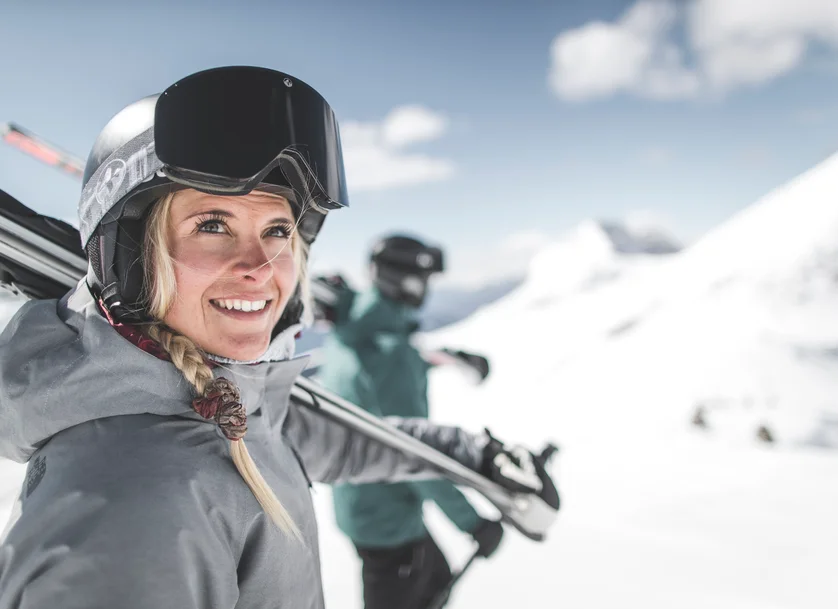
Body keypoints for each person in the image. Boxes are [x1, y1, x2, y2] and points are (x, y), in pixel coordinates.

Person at [0, 66, 553, 609]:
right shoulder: (129, 508)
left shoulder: (233, 398)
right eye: (212, 225)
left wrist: (477, 454)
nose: (260, 267)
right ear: (130, 258)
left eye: (277, 230)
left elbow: (342, 440)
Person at [314, 235, 502, 609]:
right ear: (406, 281)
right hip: (388, 525)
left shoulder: (351, 329)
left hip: (359, 504)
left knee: (437, 576)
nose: (427, 289)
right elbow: (415, 456)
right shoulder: (392, 356)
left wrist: (428, 361)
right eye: (424, 279)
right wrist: (473, 523)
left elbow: (370, 385)